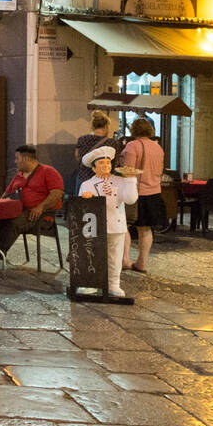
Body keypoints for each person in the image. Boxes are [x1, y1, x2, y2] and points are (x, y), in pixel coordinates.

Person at [0, 144, 66, 263]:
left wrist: (40, 207)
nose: (15, 162)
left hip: (41, 216)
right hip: (17, 211)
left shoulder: (48, 172)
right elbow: (7, 193)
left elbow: (57, 193)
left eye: (17, 158)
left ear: (26, 159)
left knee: (12, 223)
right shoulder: (19, 175)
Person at [78, 145, 140, 297]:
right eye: (101, 163)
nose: (106, 165)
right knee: (92, 254)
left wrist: (130, 180)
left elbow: (131, 199)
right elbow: (80, 207)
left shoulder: (120, 181)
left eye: (108, 163)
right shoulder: (87, 184)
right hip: (94, 227)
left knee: (115, 256)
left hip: (116, 224)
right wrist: (85, 199)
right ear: (93, 168)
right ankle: (91, 282)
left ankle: (113, 284)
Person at [119, 117, 165, 273]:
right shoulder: (158, 148)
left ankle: (125, 260)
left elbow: (128, 170)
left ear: (134, 130)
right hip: (154, 192)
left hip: (136, 193)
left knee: (123, 225)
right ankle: (141, 262)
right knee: (145, 229)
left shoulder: (133, 146)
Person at [74, 110, 123, 190]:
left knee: (82, 201)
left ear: (93, 126)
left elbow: (77, 156)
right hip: (102, 181)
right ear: (107, 126)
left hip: (83, 178)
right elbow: (115, 163)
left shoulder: (82, 139)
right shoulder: (112, 143)